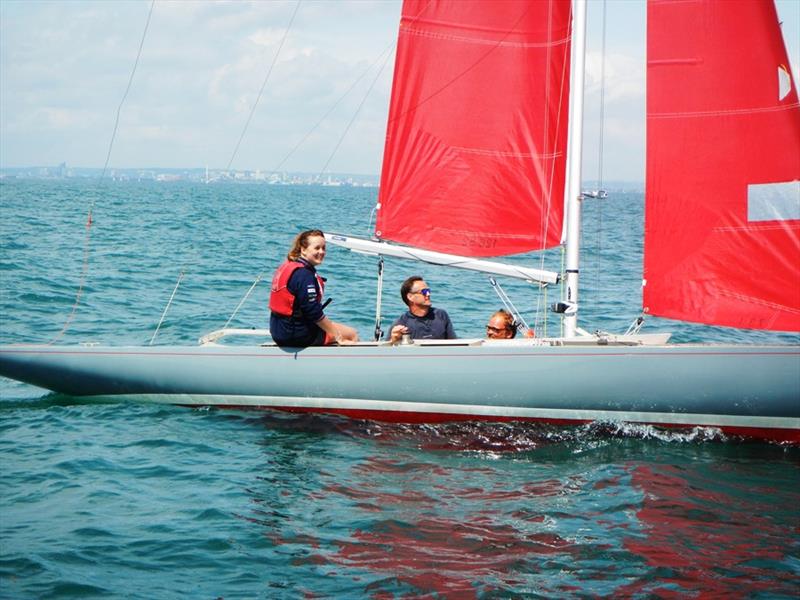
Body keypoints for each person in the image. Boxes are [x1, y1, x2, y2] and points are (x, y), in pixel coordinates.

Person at [269, 229, 359, 347]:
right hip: (297, 335)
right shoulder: (304, 275)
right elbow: (314, 313)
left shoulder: (289, 266)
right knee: (351, 334)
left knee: (333, 328)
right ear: (303, 249)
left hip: (278, 332)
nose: (321, 252)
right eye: (317, 248)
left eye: (324, 248)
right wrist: (338, 336)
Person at [387, 276, 456, 343]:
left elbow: (454, 344)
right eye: (424, 291)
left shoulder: (441, 315)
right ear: (410, 297)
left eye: (428, 291)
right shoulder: (401, 323)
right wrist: (393, 341)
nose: (428, 294)